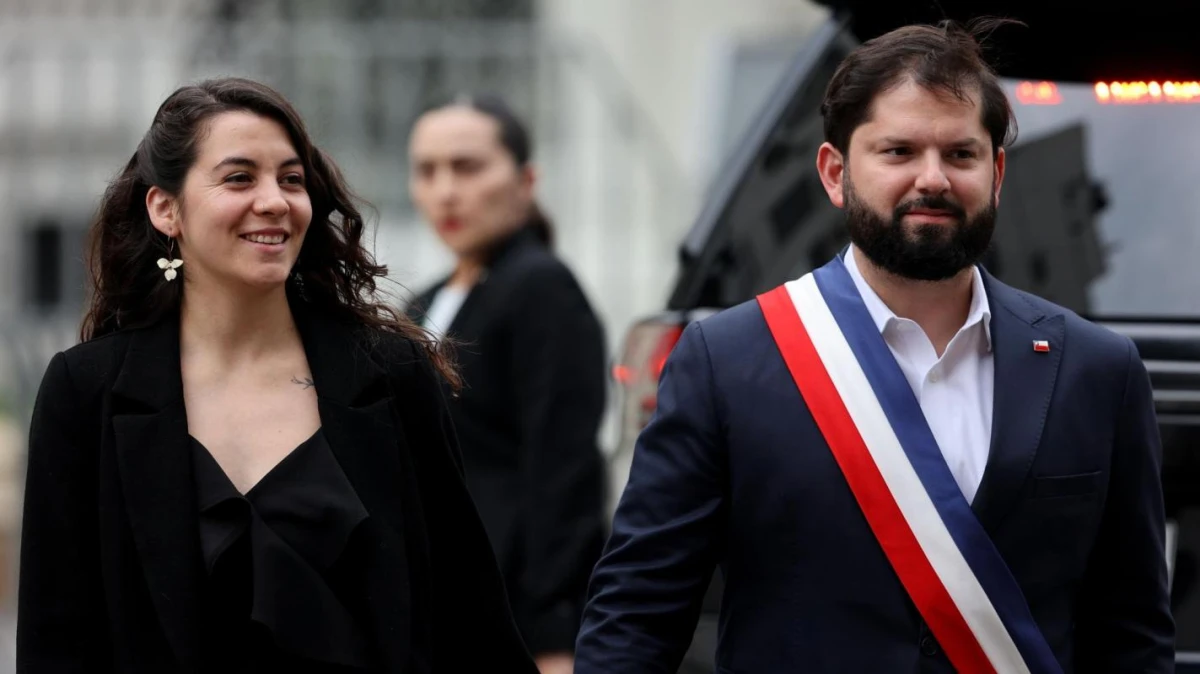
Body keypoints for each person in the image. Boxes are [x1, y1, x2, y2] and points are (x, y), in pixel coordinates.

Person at [575, 19, 1175, 673]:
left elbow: (1131, 634)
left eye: (961, 154)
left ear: (998, 173)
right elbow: (636, 618)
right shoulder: (725, 360)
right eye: (898, 152)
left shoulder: (1097, 370)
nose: (933, 179)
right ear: (835, 174)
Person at [17, 76, 538, 674]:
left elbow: (470, 614)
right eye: (240, 178)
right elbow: (56, 636)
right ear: (166, 208)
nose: (274, 200)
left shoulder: (391, 374)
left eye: (291, 179)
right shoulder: (86, 392)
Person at [404, 94, 608, 674]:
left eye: (467, 167)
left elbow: (563, 470)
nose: (445, 191)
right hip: (440, 605)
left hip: (513, 616)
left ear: (525, 179)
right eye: (427, 171)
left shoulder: (541, 289)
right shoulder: (428, 300)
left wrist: (554, 631)